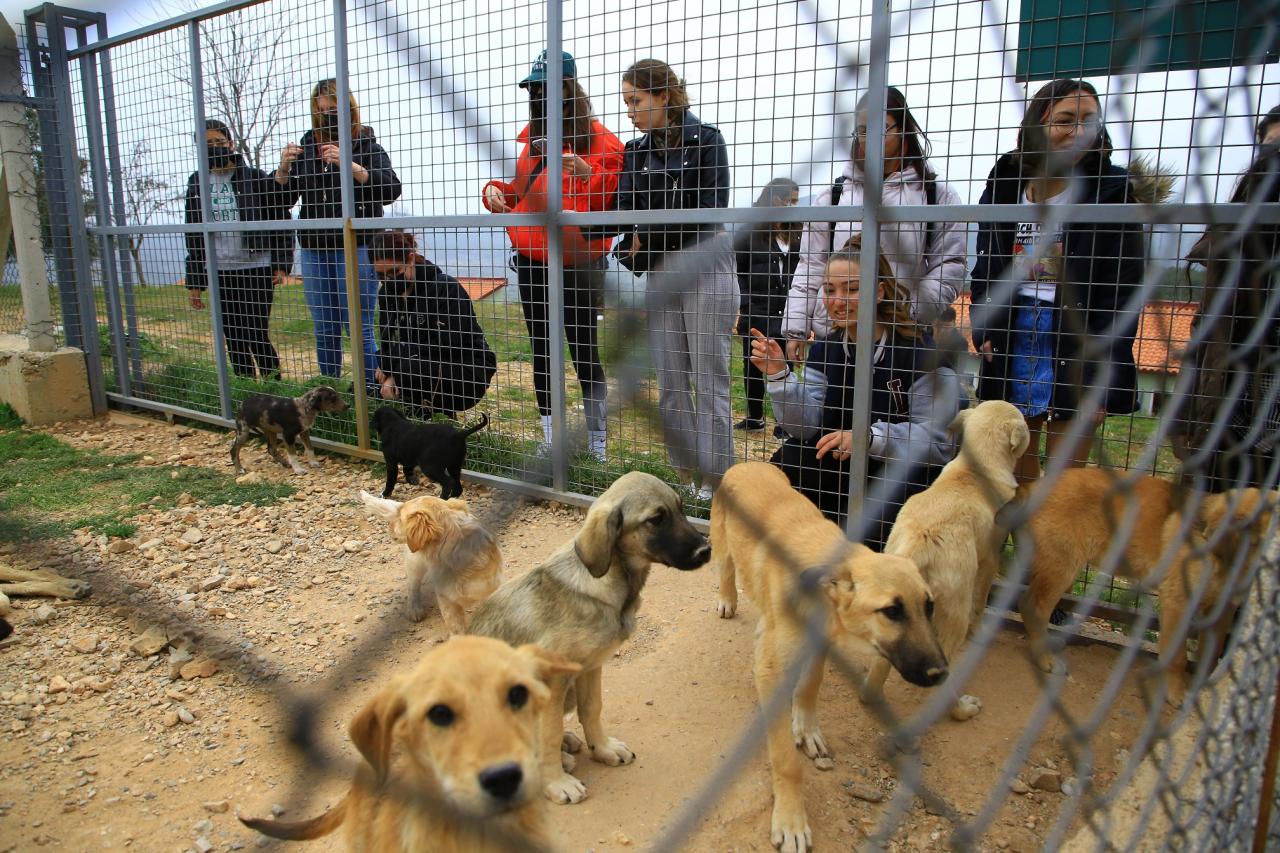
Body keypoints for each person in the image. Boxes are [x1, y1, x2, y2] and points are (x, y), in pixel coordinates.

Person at [968, 77, 1169, 483]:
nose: (1077, 132)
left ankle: (1052, 543)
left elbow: (1123, 291)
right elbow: (986, 260)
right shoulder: (1006, 181)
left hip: (1078, 336)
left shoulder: (1112, 193)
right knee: (1014, 473)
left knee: (1063, 481)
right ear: (1038, 124)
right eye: (1065, 119)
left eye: (1088, 121)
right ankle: (1024, 545)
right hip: (1012, 329)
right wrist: (982, 322)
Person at [752, 236, 964, 548]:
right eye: (830, 290)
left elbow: (940, 444)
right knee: (785, 466)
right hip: (841, 469)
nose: (837, 301)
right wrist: (781, 378)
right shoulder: (826, 349)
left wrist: (870, 438)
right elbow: (805, 427)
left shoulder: (922, 355)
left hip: (900, 477)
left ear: (879, 291)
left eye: (851, 289)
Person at [482, 50, 623, 461]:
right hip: (532, 260)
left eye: (545, 88)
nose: (538, 96)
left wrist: (585, 173)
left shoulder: (602, 141)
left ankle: (597, 445)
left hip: (580, 263)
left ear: (568, 89)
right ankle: (550, 438)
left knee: (583, 350)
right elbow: (518, 191)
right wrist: (497, 193)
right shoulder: (532, 144)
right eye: (533, 89)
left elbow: (609, 200)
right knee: (542, 348)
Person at [616, 58, 737, 500]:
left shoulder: (707, 141)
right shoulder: (636, 150)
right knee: (670, 381)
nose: (630, 110)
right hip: (664, 273)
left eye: (636, 100)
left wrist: (646, 234)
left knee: (710, 379)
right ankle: (687, 476)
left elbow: (707, 213)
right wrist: (644, 232)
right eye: (626, 102)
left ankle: (718, 480)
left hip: (705, 267)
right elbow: (626, 208)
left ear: (663, 96)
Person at [783, 86, 966, 361]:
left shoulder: (936, 196)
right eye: (863, 130)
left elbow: (949, 266)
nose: (872, 139)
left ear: (904, 129)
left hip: (902, 336)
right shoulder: (833, 198)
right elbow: (811, 265)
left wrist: (909, 311)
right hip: (837, 333)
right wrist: (795, 329)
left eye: (882, 128)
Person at [275, 78, 402, 393]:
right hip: (315, 249)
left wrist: (352, 166)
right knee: (325, 328)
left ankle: (371, 394)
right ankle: (329, 395)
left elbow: (391, 189)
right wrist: (282, 171)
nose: (328, 117)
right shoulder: (307, 149)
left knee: (359, 328)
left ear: (349, 109)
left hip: (357, 247)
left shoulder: (366, 144)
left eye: (335, 110)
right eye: (322, 111)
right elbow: (282, 201)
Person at [1172, 129, 1280, 492]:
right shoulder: (1233, 240)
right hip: (1236, 409)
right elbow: (1204, 339)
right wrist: (1184, 417)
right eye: (1272, 145)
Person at [185, 119, 294, 380]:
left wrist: (281, 263)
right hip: (220, 270)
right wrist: (195, 280)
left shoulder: (254, 177)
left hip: (256, 267)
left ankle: (273, 388)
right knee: (233, 337)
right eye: (208, 144)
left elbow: (281, 217)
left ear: (231, 144)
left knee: (256, 333)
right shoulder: (197, 181)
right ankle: (248, 391)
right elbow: (194, 231)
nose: (214, 147)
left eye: (219, 142)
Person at [368, 231, 496, 419]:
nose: (388, 280)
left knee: (409, 371)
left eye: (394, 272)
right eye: (381, 275)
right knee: (366, 388)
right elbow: (388, 341)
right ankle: (416, 419)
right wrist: (386, 367)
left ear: (410, 259)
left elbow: (447, 345)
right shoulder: (387, 296)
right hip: (415, 364)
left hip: (466, 369)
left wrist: (393, 368)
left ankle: (437, 419)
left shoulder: (445, 288)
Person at [733, 178, 800, 432]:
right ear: (775, 199)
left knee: (785, 364)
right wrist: (746, 303)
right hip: (758, 308)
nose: (794, 206)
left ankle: (786, 421)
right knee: (752, 363)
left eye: (796, 201)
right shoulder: (750, 231)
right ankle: (755, 415)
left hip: (788, 307)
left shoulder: (798, 232)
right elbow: (737, 270)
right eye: (790, 200)